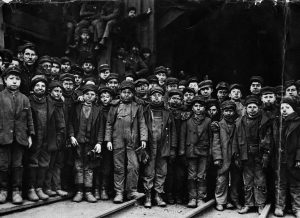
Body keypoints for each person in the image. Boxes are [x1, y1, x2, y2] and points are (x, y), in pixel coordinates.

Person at [104, 80, 148, 203]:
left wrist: (143, 138)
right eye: (124, 92)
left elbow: (142, 123)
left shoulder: (137, 106)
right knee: (119, 167)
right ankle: (119, 193)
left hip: (132, 141)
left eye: (129, 92)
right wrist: (108, 140)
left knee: (133, 166)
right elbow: (109, 124)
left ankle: (131, 191)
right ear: (120, 93)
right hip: (117, 139)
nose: (127, 94)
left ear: (133, 94)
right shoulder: (114, 106)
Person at [27, 75, 66, 201]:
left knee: (44, 163)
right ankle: (31, 189)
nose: (40, 88)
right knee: (33, 163)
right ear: (33, 88)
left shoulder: (51, 102)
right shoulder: (28, 101)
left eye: (43, 86)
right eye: (37, 85)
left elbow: (59, 122)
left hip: (47, 138)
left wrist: (57, 138)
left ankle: (40, 188)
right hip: (34, 138)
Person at [0, 66, 34, 204]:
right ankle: (2, 190)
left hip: (20, 138)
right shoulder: (0, 97)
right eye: (11, 78)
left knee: (17, 165)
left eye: (17, 79)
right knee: (3, 165)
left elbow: (29, 119)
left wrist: (30, 135)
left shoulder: (25, 99)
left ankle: (16, 191)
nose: (14, 81)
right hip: (3, 137)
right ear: (5, 80)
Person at [233, 95, 271, 215]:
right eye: (250, 107)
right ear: (246, 108)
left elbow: (268, 140)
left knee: (260, 179)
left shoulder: (264, 121)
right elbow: (235, 140)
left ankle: (260, 204)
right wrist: (237, 155)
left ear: (259, 108)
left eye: (255, 107)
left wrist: (266, 155)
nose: (252, 109)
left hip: (259, 155)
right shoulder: (239, 122)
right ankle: (248, 204)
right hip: (245, 155)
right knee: (247, 180)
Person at [143, 86, 177, 208]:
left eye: (159, 95)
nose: (156, 98)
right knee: (149, 171)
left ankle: (158, 195)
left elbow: (173, 132)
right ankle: (148, 196)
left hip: (163, 146)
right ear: (150, 97)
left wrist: (172, 148)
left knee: (162, 171)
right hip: (150, 146)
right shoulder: (145, 111)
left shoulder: (168, 112)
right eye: (154, 95)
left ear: (163, 97)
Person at [69, 84, 102, 203]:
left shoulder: (98, 109)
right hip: (78, 142)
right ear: (83, 95)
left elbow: (101, 128)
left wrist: (99, 142)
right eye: (87, 94)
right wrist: (72, 135)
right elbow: (70, 123)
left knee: (89, 167)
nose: (89, 96)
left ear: (95, 96)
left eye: (92, 94)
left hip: (90, 143)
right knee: (78, 166)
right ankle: (79, 191)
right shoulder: (76, 107)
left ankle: (88, 192)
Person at [180, 96, 211, 208]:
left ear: (204, 108)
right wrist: (182, 152)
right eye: (196, 106)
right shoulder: (187, 120)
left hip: (203, 151)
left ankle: (201, 198)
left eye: (201, 106)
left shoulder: (208, 121)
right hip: (190, 151)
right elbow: (182, 136)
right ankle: (192, 198)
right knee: (191, 176)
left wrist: (210, 153)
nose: (198, 108)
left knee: (201, 175)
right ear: (192, 108)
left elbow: (211, 138)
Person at [211, 100, 242, 211]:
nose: (229, 113)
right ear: (222, 112)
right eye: (226, 111)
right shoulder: (218, 125)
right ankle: (220, 201)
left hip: (236, 156)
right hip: (223, 157)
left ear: (234, 112)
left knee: (235, 180)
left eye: (231, 111)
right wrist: (217, 157)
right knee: (221, 180)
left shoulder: (238, 124)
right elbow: (216, 143)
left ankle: (233, 200)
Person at [272, 97, 300, 218]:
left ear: (293, 109)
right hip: (280, 159)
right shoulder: (277, 122)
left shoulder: (298, 122)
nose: (284, 110)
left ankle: (297, 208)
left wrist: (299, 158)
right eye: (282, 108)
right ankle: (279, 207)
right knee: (280, 184)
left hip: (293, 158)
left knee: (295, 184)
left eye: (287, 107)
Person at [43, 81, 68, 198]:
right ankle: (47, 187)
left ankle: (57, 187)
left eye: (60, 91)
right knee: (49, 163)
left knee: (58, 164)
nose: (58, 94)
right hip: (51, 137)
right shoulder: (48, 103)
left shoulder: (61, 103)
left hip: (61, 137)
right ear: (50, 91)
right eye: (56, 91)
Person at [165, 89, 185, 204]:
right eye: (174, 98)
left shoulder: (185, 114)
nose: (176, 101)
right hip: (168, 147)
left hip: (181, 148)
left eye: (178, 99)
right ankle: (169, 194)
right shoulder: (166, 112)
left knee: (180, 174)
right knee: (169, 173)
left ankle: (179, 194)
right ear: (169, 100)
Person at [94, 86, 114, 200]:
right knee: (97, 165)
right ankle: (96, 189)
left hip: (109, 143)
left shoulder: (114, 109)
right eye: (102, 97)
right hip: (96, 141)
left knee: (107, 167)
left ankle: (104, 188)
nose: (105, 99)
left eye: (107, 97)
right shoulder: (97, 109)